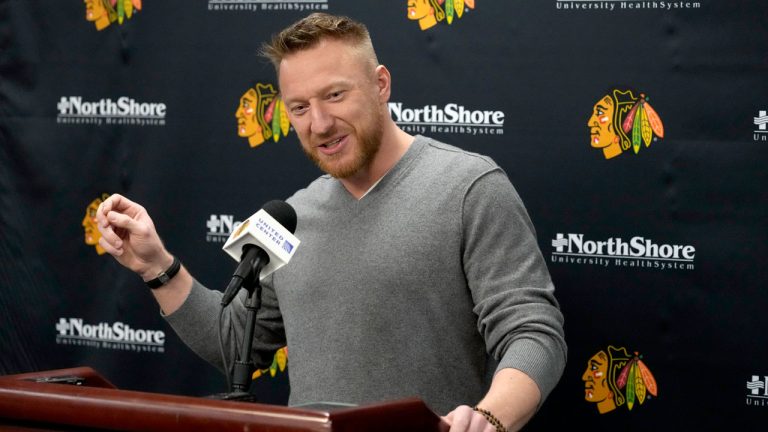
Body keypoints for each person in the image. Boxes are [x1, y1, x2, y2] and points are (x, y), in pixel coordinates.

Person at [97, 13, 566, 432]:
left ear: (381, 84)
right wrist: (155, 265)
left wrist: (489, 418)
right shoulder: (289, 216)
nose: (319, 123)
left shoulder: (469, 185)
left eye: (335, 95)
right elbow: (236, 342)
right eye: (299, 107)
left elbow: (534, 334)